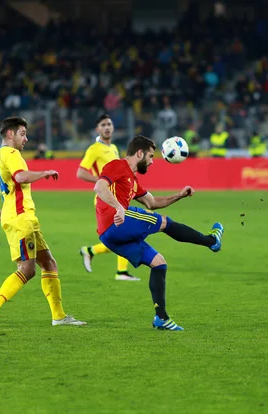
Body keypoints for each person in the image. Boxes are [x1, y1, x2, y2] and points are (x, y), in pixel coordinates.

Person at [94, 135, 224, 331]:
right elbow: (99, 186)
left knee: (159, 263)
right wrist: (119, 207)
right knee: (164, 222)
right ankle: (211, 240)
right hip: (116, 222)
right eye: (151, 156)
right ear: (139, 153)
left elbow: (153, 203)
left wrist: (179, 196)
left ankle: (161, 318)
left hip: (110, 235)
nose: (153, 161)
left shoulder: (132, 180)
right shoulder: (118, 166)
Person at [0, 116, 86, 328]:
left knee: (49, 263)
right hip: (22, 219)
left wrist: (3, 216)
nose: (25, 139)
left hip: (19, 218)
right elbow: (20, 177)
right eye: (23, 134)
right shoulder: (11, 153)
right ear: (10, 134)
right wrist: (44, 172)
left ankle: (59, 316)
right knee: (27, 269)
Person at [77, 114, 138, 281]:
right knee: (124, 233)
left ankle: (91, 251)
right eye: (103, 124)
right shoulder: (94, 149)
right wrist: (102, 181)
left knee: (120, 235)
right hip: (105, 199)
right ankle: (121, 272)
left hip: (116, 197)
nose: (107, 127)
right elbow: (81, 172)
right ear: (97, 129)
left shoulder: (114, 148)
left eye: (109, 124)